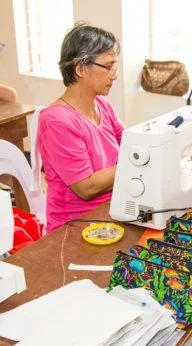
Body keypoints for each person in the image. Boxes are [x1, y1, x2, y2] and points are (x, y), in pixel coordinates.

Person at [38, 23, 123, 232]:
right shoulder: (57, 121)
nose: (114, 75)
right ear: (80, 68)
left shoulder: (102, 105)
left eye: (115, 67)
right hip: (76, 228)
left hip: (111, 214)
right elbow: (86, 186)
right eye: (108, 66)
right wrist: (138, 165)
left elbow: (131, 144)